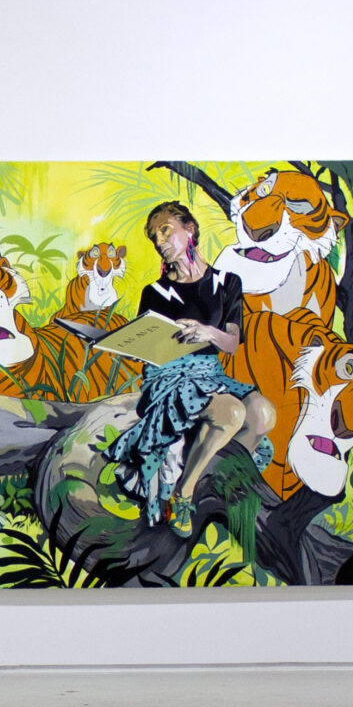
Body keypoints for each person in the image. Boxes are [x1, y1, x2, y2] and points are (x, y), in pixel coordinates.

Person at [110, 200, 276, 535]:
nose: (160, 242)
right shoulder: (154, 292)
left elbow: (232, 343)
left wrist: (208, 332)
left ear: (190, 229)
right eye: (155, 237)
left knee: (264, 414)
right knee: (232, 413)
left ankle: (214, 479)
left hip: (209, 374)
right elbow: (148, 345)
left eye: (165, 231)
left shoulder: (227, 283)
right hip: (169, 376)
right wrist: (134, 349)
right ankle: (183, 494)